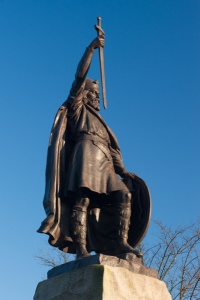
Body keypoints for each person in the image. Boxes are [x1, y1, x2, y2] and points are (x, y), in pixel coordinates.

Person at [38, 35, 142, 259]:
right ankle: (82, 249)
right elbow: (79, 76)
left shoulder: (102, 122)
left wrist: (122, 170)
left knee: (123, 195)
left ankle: (121, 242)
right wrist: (92, 48)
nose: (96, 97)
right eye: (93, 93)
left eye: (97, 94)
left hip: (104, 159)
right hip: (85, 155)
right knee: (83, 200)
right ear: (83, 95)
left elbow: (113, 150)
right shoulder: (77, 109)